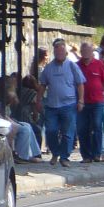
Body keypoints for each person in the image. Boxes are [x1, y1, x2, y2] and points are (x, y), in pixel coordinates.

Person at [37, 38, 84, 167]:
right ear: (54, 53)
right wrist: (38, 100)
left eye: (62, 52)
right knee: (50, 131)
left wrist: (81, 100)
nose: (59, 55)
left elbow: (80, 84)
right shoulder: (49, 68)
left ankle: (64, 157)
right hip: (52, 105)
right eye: (57, 53)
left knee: (67, 132)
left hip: (69, 105)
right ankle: (55, 152)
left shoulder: (72, 66)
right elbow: (42, 85)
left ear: (66, 53)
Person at [75, 41, 104, 163]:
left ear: (92, 52)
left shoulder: (99, 65)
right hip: (81, 102)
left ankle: (96, 154)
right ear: (80, 52)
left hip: (97, 102)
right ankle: (86, 156)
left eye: (88, 51)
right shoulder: (76, 66)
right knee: (82, 129)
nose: (86, 53)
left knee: (97, 126)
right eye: (83, 51)